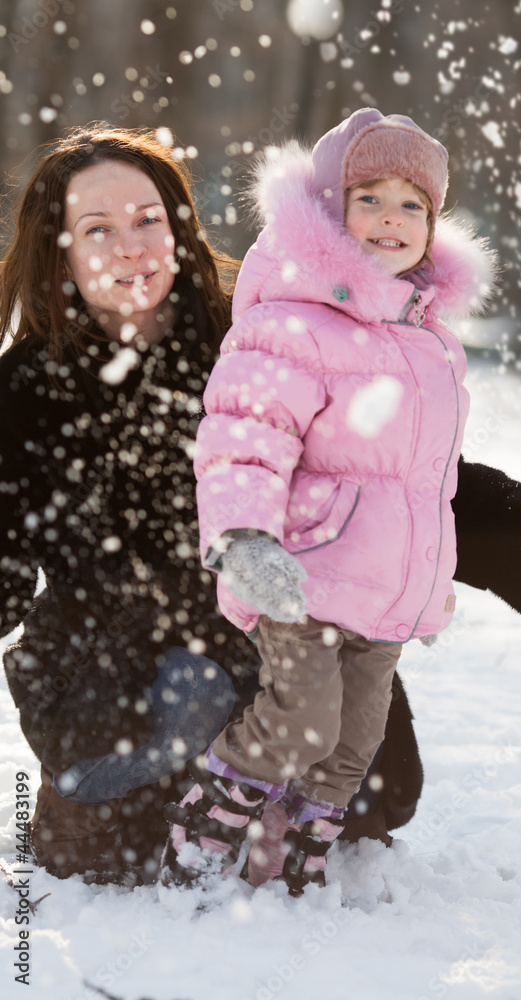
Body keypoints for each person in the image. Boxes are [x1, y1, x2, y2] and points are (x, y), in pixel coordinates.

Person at [161, 107, 521, 897]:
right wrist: (247, 539)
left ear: (434, 225)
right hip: (303, 575)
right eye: (370, 198)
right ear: (328, 210)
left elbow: (435, 480)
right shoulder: (291, 323)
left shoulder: (426, 341)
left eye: (412, 205)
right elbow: (244, 439)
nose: (391, 218)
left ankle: (297, 846)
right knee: (301, 720)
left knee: (356, 742)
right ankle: (205, 824)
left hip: (387, 593)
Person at [0, 124, 258, 884]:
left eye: (149, 220)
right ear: (61, 252)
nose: (132, 247)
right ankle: (158, 757)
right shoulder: (24, 388)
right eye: (98, 229)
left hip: (248, 623)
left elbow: (386, 475)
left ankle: (220, 734)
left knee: (380, 796)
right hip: (99, 647)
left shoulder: (252, 346)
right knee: (95, 853)